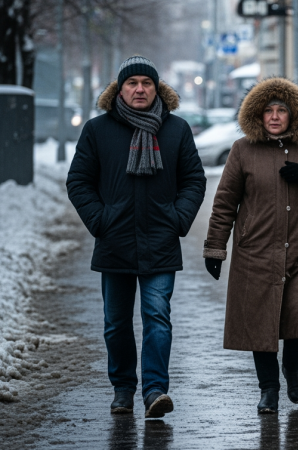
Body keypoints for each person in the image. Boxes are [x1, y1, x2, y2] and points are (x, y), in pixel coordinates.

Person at [66, 55, 206, 418]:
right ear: (120, 88)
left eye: (147, 82)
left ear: (156, 88)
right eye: (132, 83)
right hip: (114, 241)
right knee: (116, 323)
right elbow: (78, 181)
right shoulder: (97, 130)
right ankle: (123, 388)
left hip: (160, 240)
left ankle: (155, 390)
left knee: (157, 317)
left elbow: (194, 180)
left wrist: (178, 218)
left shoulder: (175, 129)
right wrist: (100, 219)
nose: (140, 89)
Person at [202, 77, 298, 414]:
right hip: (256, 251)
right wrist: (215, 248)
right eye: (268, 111)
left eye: (281, 110)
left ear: (294, 115)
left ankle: (292, 370)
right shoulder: (242, 150)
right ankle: (268, 389)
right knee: (258, 322)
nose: (275, 116)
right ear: (258, 116)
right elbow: (224, 203)